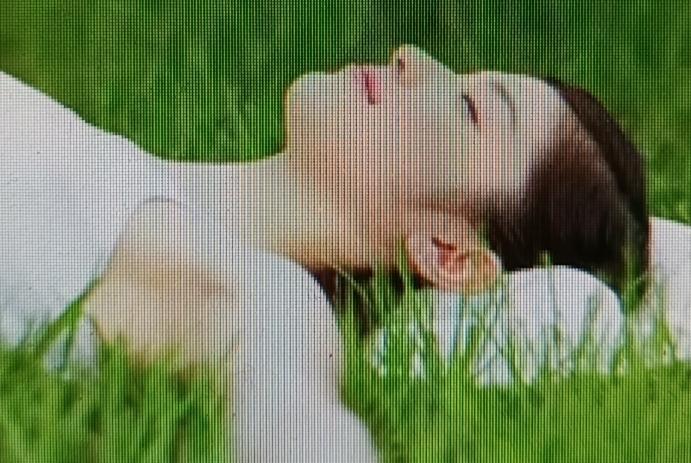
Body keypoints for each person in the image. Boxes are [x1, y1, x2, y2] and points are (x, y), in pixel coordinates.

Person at [0, 44, 651, 460]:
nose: (411, 57)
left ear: (449, 253)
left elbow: (295, 417)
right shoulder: (112, 168)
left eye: (467, 108)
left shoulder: (259, 291)